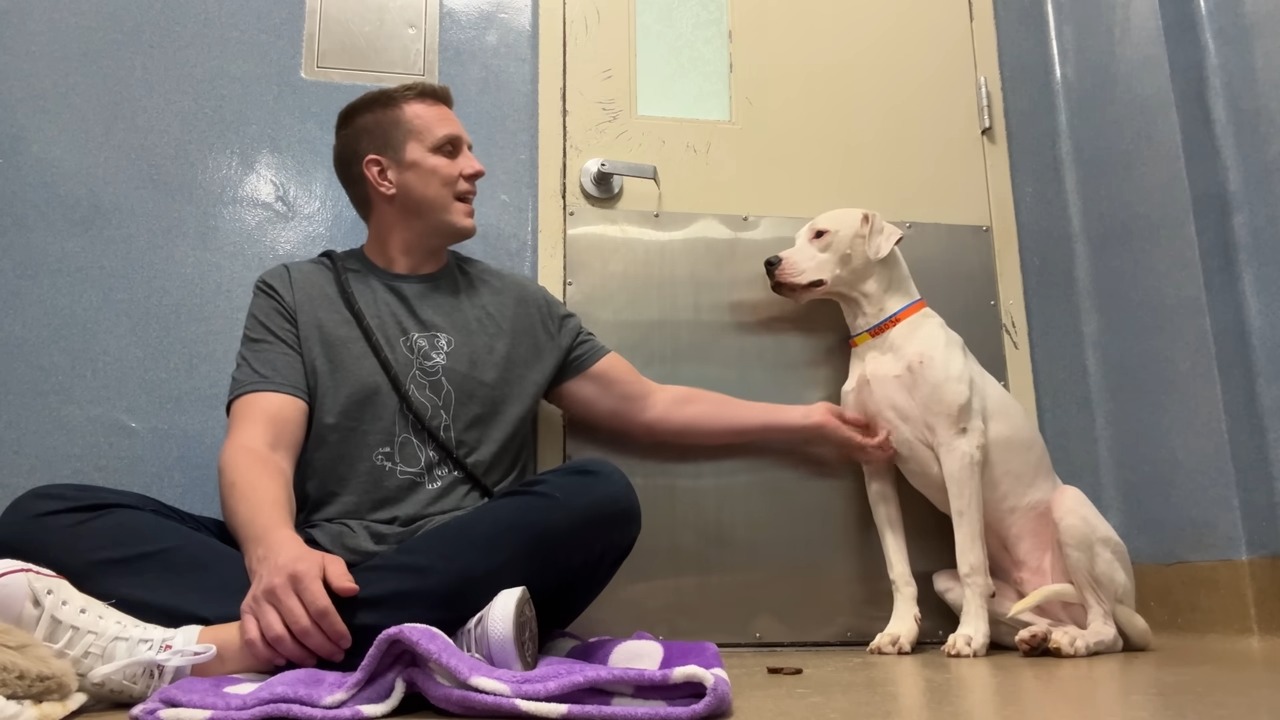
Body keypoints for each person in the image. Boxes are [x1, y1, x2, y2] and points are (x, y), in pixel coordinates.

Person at [0, 82, 894, 706]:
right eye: (451, 149)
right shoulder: (295, 291)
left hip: (464, 567)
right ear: (383, 175)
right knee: (44, 512)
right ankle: (381, 641)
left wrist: (805, 420)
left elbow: (649, 407)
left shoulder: (522, 308)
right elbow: (260, 443)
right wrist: (275, 557)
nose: (477, 167)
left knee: (597, 496)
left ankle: (213, 650)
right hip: (316, 567)